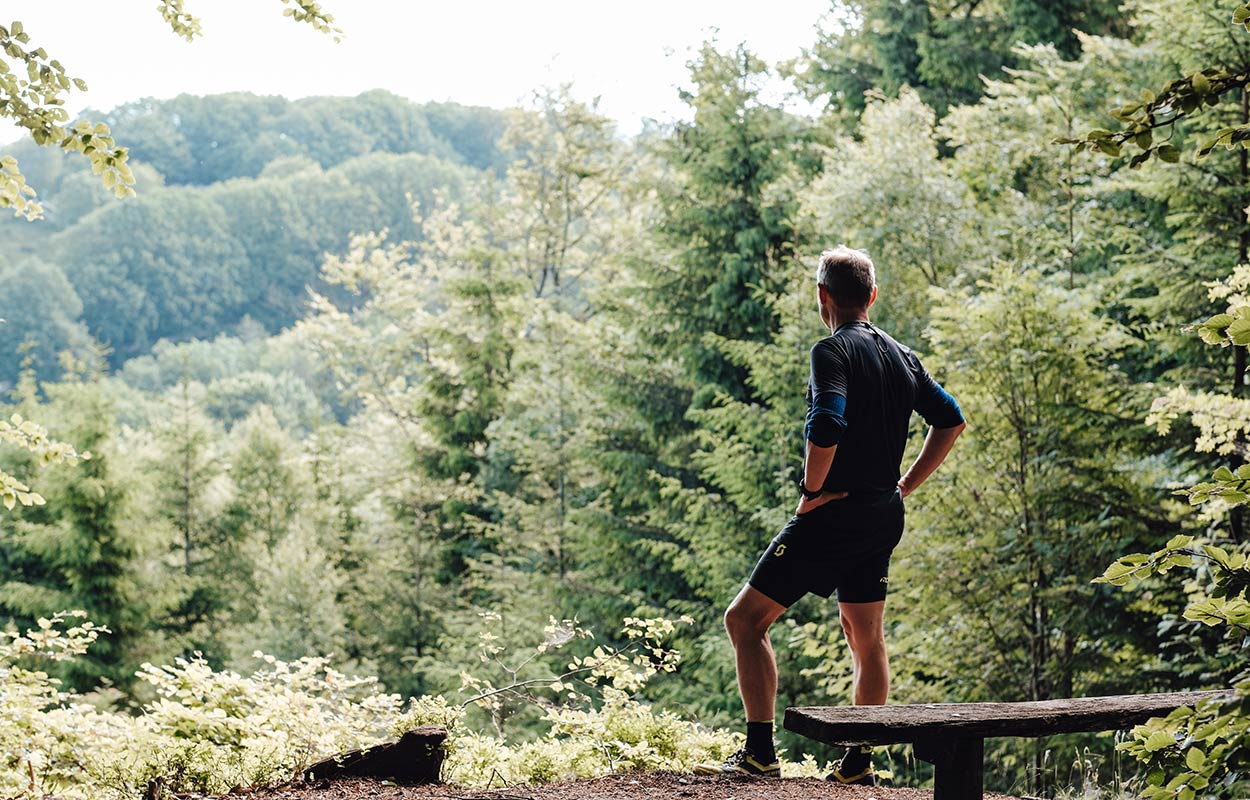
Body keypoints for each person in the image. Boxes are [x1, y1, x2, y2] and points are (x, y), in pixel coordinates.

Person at [694, 246, 966, 784]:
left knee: (744, 620)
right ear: (872, 296)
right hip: (884, 515)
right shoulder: (904, 357)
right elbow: (951, 420)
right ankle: (858, 760)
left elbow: (826, 424)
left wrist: (809, 489)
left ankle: (759, 754)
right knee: (866, 635)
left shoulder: (831, 352)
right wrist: (905, 485)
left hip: (835, 513)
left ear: (823, 296)